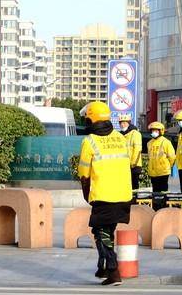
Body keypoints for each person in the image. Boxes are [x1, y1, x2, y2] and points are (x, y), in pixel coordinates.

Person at [77, 101, 132, 286]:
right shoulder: (120, 137)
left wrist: (86, 192)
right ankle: (103, 269)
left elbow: (84, 172)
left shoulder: (89, 141)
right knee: (107, 230)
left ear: (91, 119)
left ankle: (114, 271)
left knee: (101, 232)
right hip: (123, 194)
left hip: (103, 194)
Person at [147, 121, 176, 193]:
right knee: (155, 192)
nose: (154, 132)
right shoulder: (149, 143)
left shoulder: (166, 142)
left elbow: (172, 156)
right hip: (153, 172)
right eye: (153, 130)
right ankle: (156, 204)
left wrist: (169, 166)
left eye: (156, 130)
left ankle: (163, 204)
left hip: (163, 172)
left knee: (163, 192)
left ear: (160, 131)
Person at [118, 113, 143, 191]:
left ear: (129, 123)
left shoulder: (135, 134)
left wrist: (133, 163)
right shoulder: (119, 135)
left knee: (134, 186)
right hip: (124, 165)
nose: (122, 125)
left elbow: (137, 149)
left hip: (134, 166)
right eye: (121, 123)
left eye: (124, 123)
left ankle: (134, 201)